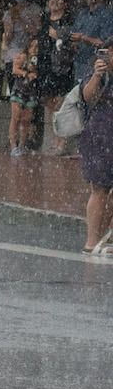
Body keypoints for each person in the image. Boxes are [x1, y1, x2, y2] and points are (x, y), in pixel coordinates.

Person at [79, 37, 113, 256]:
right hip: (101, 134)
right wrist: (97, 74)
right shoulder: (101, 73)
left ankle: (107, 238)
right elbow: (87, 96)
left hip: (103, 132)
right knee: (99, 188)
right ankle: (92, 241)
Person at [39, 0, 76, 156]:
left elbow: (73, 45)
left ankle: (62, 143)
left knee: (62, 106)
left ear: (65, 4)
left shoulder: (68, 22)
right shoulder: (45, 22)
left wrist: (58, 36)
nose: (54, 1)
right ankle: (55, 143)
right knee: (51, 107)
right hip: (47, 69)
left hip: (63, 69)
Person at [71, 0, 113, 83]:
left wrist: (83, 38)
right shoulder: (82, 14)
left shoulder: (107, 16)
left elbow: (105, 43)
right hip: (78, 68)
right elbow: (73, 37)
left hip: (96, 71)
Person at [9, 39, 40, 156]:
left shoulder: (36, 60)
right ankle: (13, 145)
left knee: (26, 119)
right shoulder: (22, 56)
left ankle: (22, 145)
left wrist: (34, 71)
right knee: (16, 118)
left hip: (30, 91)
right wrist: (26, 73)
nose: (34, 50)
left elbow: (37, 74)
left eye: (37, 47)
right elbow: (14, 70)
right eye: (32, 46)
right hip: (19, 90)